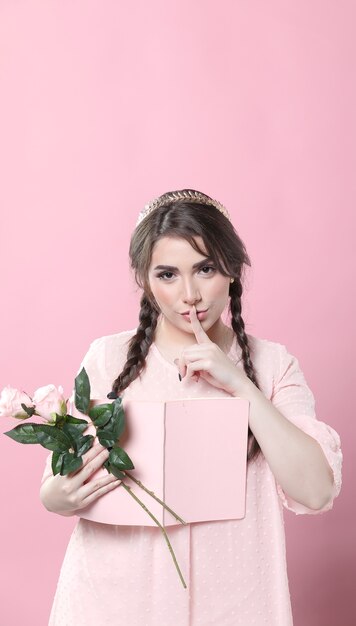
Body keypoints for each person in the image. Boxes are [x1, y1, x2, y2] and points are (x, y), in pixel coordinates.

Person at [40, 189, 342, 625]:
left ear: (233, 270)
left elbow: (315, 490)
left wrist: (240, 383)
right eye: (167, 274)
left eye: (205, 269)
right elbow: (57, 481)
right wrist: (56, 496)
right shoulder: (107, 359)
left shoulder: (274, 365)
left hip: (234, 600)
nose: (189, 294)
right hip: (114, 600)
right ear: (145, 281)